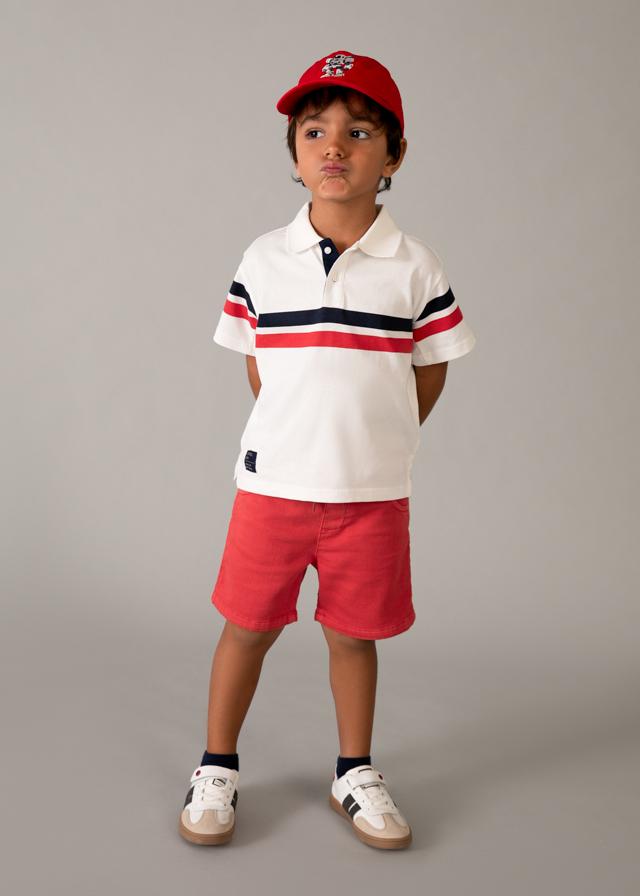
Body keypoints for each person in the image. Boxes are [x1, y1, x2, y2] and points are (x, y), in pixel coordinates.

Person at [178, 49, 476, 850]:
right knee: (247, 627)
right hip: (272, 489)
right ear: (295, 153)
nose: (335, 146)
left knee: (353, 635)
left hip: (370, 497)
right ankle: (216, 765)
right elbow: (260, 363)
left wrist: (378, 437)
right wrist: (298, 433)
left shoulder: (415, 266)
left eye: (359, 132)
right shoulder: (262, 260)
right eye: (314, 132)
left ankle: (354, 770)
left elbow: (430, 368)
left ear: (394, 156)